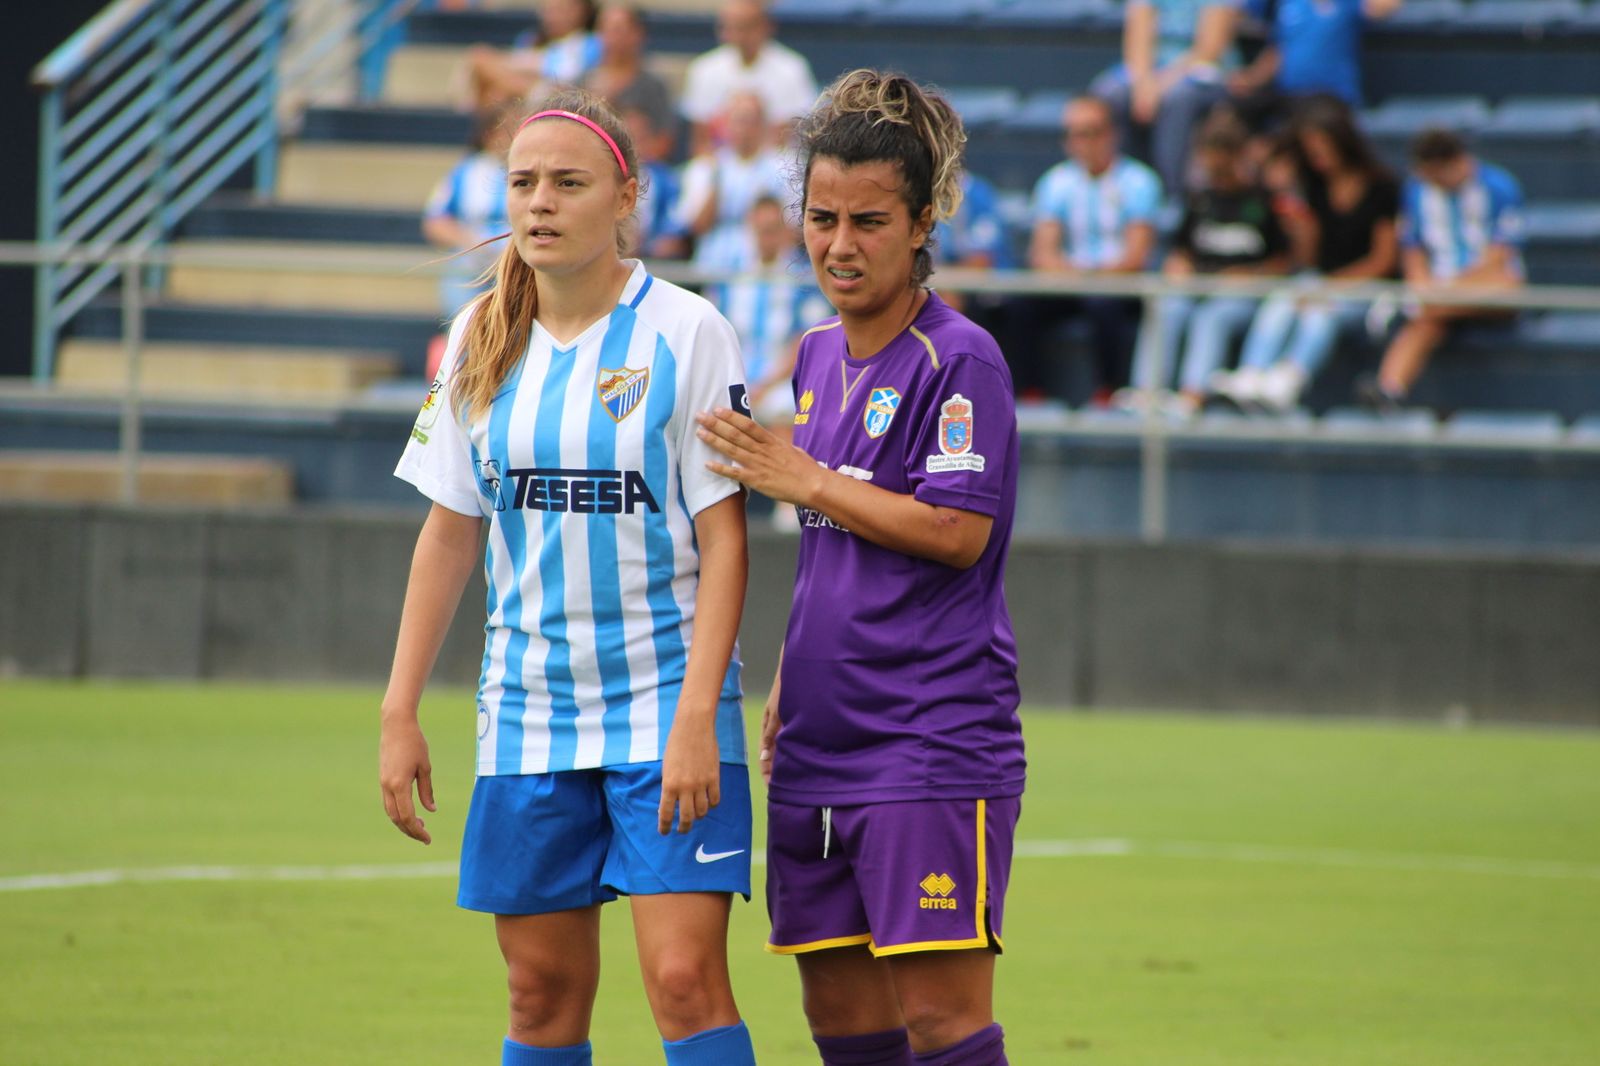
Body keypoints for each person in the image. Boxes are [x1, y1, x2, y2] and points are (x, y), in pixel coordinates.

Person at [380, 90, 759, 1066]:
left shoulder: (688, 331)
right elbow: (450, 532)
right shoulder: (478, 336)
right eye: (522, 182)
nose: (539, 202)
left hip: (667, 700)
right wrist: (399, 711)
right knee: (539, 993)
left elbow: (726, 541)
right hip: (529, 712)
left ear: (626, 196)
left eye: (567, 182)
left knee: (683, 981)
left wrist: (695, 714)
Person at [696, 69, 1025, 1066]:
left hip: (926, 736)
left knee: (940, 1021)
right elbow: (830, 551)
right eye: (821, 217)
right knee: (843, 1023)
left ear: (923, 221)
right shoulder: (813, 354)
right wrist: (790, 683)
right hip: (817, 741)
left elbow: (955, 531)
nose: (840, 245)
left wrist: (806, 475)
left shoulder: (959, 361)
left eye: (869, 221)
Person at [1212, 98, 1399, 411]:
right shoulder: (1315, 187)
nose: (1317, 157)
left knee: (1319, 311)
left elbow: (1383, 261)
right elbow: (1311, 260)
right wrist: (1303, 232)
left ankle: (1290, 378)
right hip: (1322, 280)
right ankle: (1252, 372)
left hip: (1367, 290)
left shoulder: (1382, 187)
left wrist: (1332, 286)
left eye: (1321, 147)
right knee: (1284, 297)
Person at [1126, 110, 1291, 415]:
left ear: (1238, 157)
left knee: (1212, 317)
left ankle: (1193, 396)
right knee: (1166, 307)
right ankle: (1145, 392)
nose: (1215, 174)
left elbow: (1282, 262)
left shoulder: (1263, 200)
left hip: (1242, 294)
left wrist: (1249, 275)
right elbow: (1180, 250)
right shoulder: (1199, 198)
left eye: (1222, 166)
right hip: (1197, 285)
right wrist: (1180, 267)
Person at [1360, 128, 1525, 409]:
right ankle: (1389, 390)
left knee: (1507, 286)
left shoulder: (1500, 187)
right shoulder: (1415, 191)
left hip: (1485, 287)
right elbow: (1413, 252)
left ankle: (1406, 309)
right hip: (1437, 297)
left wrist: (1443, 291)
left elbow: (1498, 258)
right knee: (1427, 320)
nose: (1431, 181)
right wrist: (1424, 286)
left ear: (1456, 162)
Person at [1028, 95, 1164, 401]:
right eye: (1072, 134)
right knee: (1020, 305)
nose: (1079, 143)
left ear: (1111, 135)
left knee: (1104, 304)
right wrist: (1078, 275)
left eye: (1088, 132)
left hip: (1118, 286)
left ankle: (1109, 392)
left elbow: (1135, 257)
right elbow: (1042, 253)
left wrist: (1088, 275)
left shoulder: (1139, 182)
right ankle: (1028, 392)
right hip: (1076, 282)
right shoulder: (1055, 182)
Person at [1092, 0, 1244, 196]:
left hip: (1203, 73)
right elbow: (1137, 41)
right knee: (1109, 93)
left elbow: (1210, 48)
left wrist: (1161, 85)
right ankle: (1119, 193)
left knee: (1177, 98)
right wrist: (1144, 84)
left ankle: (1171, 194)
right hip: (1152, 75)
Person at [1227, 0, 1404, 127]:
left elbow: (1386, 5)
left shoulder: (1348, 3)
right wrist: (1252, 78)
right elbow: (1278, 50)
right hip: (1291, 98)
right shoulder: (1288, 5)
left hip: (1334, 98)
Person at [423, 101, 520, 325]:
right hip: (474, 265)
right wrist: (471, 242)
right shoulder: (466, 172)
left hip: (517, 263)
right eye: (508, 130)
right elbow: (435, 221)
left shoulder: (532, 170)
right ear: (489, 134)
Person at [673, 91, 791, 272]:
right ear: (726, 124)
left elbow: (792, 229)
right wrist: (716, 182)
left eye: (752, 121)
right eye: (739, 120)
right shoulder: (705, 167)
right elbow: (696, 227)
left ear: (763, 125)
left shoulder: (784, 167)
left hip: (768, 263)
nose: (745, 129)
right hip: (715, 262)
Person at [679, 0, 818, 152]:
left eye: (746, 27)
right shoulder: (704, 69)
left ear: (766, 26)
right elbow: (701, 139)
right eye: (730, 27)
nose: (739, 35)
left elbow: (788, 135)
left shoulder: (792, 68)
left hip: (775, 162)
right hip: (719, 163)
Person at [464, 0, 601, 113]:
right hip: (525, 97)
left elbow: (565, 74)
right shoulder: (530, 40)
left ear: (583, 12)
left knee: (481, 59)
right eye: (550, 9)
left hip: (559, 98)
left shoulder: (590, 42)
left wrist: (523, 64)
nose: (554, 16)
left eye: (562, 9)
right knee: (493, 89)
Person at [582, 4, 677, 146]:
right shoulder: (582, 81)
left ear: (638, 34)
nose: (611, 38)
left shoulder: (653, 86)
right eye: (605, 30)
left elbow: (664, 143)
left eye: (618, 30)